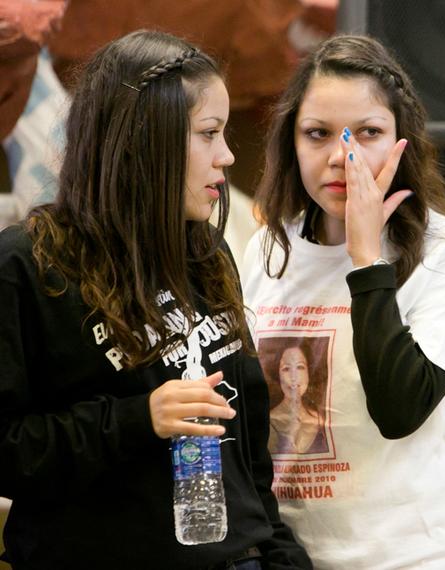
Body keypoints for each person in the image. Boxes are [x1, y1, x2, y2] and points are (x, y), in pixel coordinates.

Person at [0, 30, 311, 570]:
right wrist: (136, 418)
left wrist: (279, 553)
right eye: (209, 133)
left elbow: (245, 442)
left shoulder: (205, 251)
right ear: (146, 138)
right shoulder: (28, 265)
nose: (228, 155)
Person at [242, 34, 445, 569]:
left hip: (414, 557)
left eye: (369, 132)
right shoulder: (264, 249)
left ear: (404, 141)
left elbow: (400, 410)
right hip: (291, 555)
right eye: (317, 134)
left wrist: (365, 259)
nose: (341, 156)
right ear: (292, 144)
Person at [268, 341, 329, 455]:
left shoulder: (321, 420)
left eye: (300, 367)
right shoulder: (269, 422)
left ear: (308, 373)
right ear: (278, 375)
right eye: (286, 369)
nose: (294, 377)